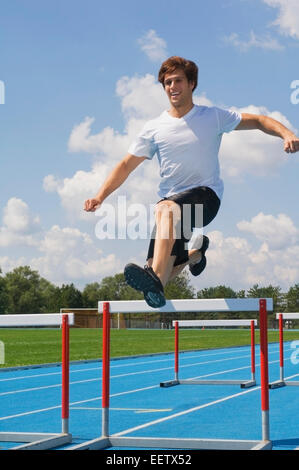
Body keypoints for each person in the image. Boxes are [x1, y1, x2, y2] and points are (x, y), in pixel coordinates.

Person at [84, 56, 299, 308]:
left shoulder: (213, 117)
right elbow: (125, 165)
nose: (172, 87)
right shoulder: (154, 127)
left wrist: (287, 133)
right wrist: (100, 196)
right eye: (167, 83)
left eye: (177, 81)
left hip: (205, 197)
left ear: (191, 83)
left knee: (164, 209)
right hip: (172, 210)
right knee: (158, 273)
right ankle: (194, 254)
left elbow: (260, 121)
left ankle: (160, 272)